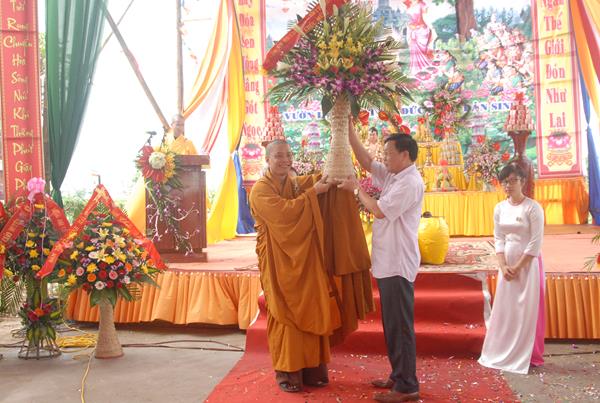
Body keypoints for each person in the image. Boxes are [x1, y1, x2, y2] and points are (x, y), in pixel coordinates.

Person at [338, 124, 423, 402]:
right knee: (392, 324)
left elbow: (379, 210)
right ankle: (398, 375)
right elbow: (366, 161)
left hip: (398, 262)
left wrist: (356, 190)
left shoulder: (409, 182)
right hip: (388, 260)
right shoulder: (395, 175)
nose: (384, 158)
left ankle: (407, 386)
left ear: (405, 155)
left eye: (388, 153)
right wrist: (347, 128)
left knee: (400, 326)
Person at [249, 139, 335, 393]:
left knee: (310, 304)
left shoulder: (292, 182)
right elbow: (285, 213)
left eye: (288, 154)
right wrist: (314, 193)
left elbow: (309, 183)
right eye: (279, 156)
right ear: (267, 159)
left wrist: (333, 172)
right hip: (278, 261)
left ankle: (312, 368)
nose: (285, 160)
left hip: (303, 259)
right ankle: (288, 371)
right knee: (284, 312)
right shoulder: (260, 190)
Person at [478, 163, 545, 374]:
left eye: (513, 181)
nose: (508, 185)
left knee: (526, 308)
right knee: (506, 310)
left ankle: (526, 353)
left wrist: (517, 267)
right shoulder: (500, 208)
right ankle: (503, 349)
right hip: (506, 265)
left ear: (522, 182)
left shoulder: (533, 208)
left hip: (528, 264)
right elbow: (498, 238)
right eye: (505, 182)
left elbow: (535, 242)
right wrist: (503, 265)